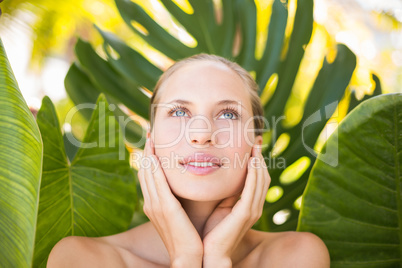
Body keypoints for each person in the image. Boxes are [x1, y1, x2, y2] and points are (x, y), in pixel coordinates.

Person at [47, 54, 330, 267]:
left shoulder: (296, 256)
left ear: (256, 146)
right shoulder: (81, 259)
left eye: (228, 114)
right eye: (180, 112)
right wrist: (185, 258)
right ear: (151, 140)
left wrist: (217, 258)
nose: (202, 134)